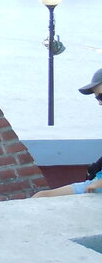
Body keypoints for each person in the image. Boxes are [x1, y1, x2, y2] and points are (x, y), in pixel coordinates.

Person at [32, 67, 102, 198]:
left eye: (101, 97)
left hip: (97, 185)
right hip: (95, 182)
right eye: (97, 98)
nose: (99, 103)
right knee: (41, 196)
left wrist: (98, 184)